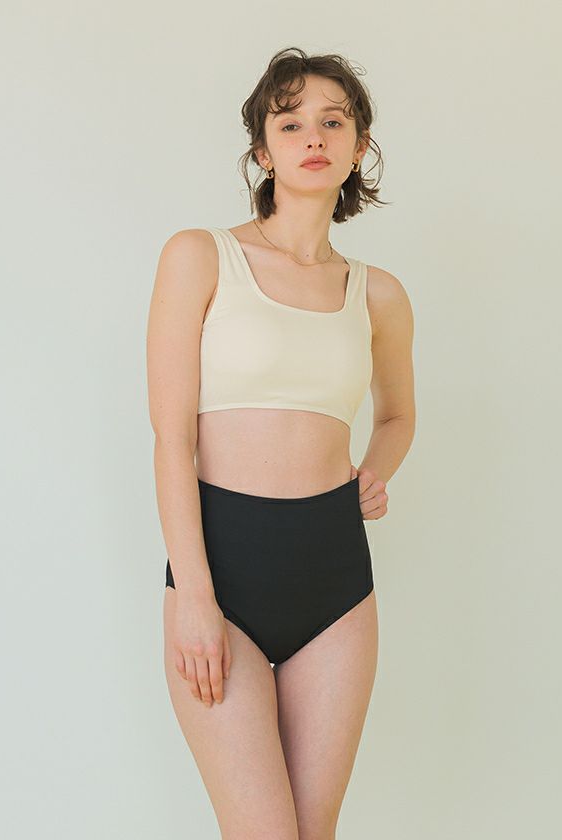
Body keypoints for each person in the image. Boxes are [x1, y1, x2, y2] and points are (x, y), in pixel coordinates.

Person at [146, 46, 415, 840]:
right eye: (290, 123)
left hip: (335, 579)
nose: (313, 137)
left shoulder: (378, 293)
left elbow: (397, 417)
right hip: (220, 574)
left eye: (334, 121)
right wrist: (195, 599)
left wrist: (376, 472)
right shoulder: (200, 256)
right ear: (263, 151)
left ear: (360, 146)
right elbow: (171, 440)